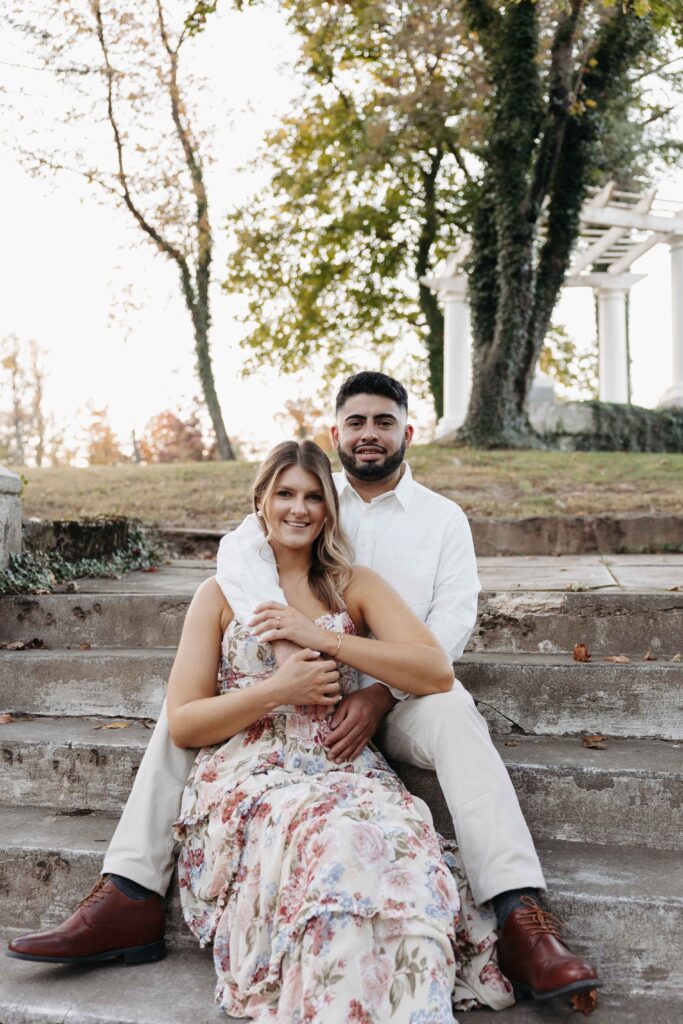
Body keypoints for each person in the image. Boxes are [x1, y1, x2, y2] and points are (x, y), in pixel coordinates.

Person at [7, 371, 599, 1006]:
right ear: (335, 432)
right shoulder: (308, 487)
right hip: (290, 710)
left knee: (454, 708)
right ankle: (128, 889)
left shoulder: (442, 520)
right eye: (355, 422)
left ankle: (518, 913)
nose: (368, 434)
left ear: (408, 431)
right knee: (184, 708)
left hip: (397, 701)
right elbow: (237, 558)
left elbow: (446, 634)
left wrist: (373, 690)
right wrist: (287, 666)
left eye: (383, 422)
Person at [166, 439, 512, 1020]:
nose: (297, 509)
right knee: (333, 839)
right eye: (284, 494)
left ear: (329, 508)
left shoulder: (353, 585)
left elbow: (435, 669)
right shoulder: (219, 594)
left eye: (312, 497)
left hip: (343, 763)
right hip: (254, 772)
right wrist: (276, 691)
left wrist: (322, 636)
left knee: (394, 835)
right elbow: (183, 721)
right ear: (262, 502)